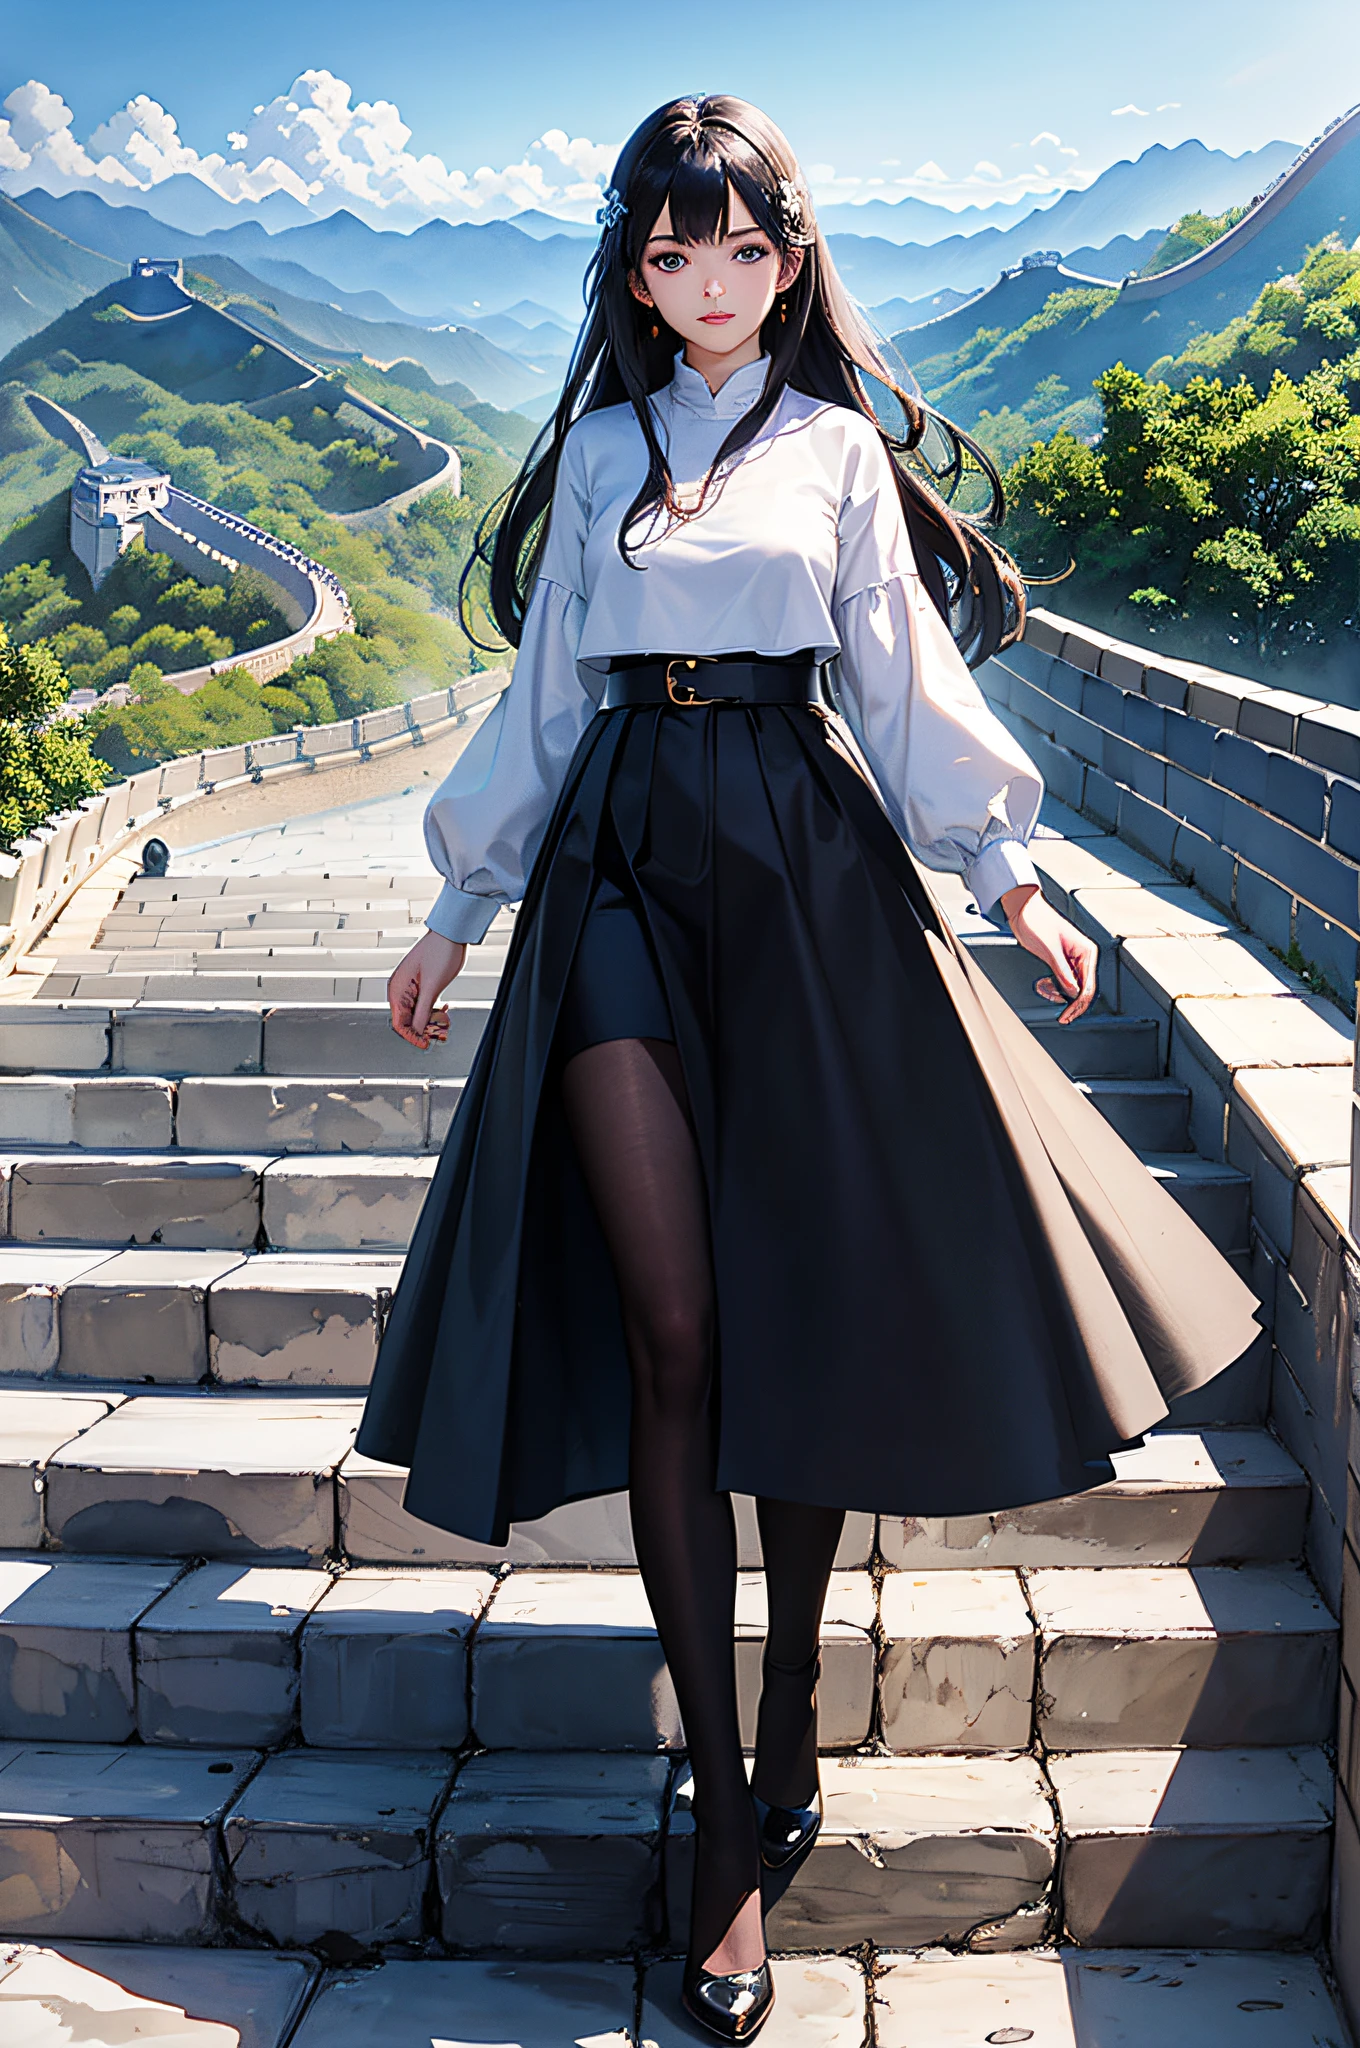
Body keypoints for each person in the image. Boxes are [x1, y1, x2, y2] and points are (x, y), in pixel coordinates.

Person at [356, 95, 1259, 2041]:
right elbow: (537, 708)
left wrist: (1005, 875)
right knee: (674, 1318)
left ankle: (771, 1716)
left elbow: (899, 679)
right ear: (633, 266)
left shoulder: (835, 454)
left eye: (737, 249)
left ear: (784, 256)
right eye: (669, 252)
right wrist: (455, 907)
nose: (704, 281)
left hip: (797, 857)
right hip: (615, 860)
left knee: (774, 1308)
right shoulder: (600, 454)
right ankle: (724, 1848)